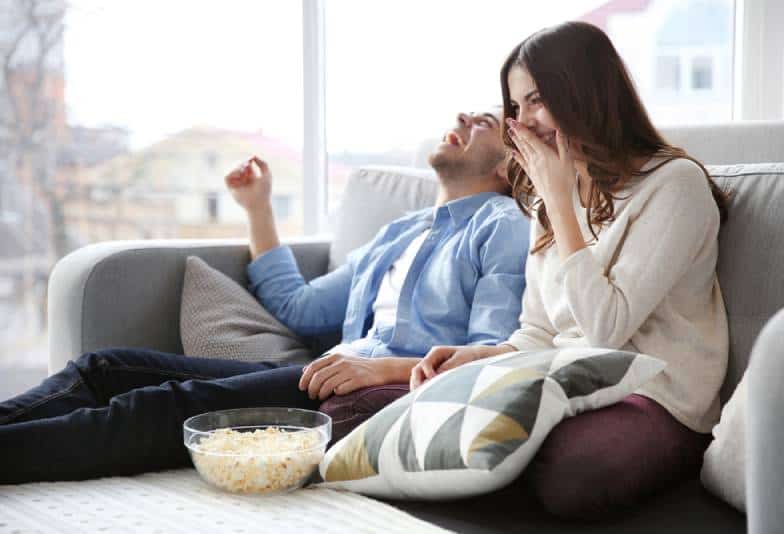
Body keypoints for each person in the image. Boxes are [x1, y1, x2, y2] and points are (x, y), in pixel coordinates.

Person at [0, 108, 530, 485]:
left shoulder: (503, 226)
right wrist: (258, 209)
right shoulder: (399, 233)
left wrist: (384, 370)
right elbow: (300, 309)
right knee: (104, 367)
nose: (463, 117)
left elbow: (489, 356)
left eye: (483, 123)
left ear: (508, 169)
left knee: (162, 406)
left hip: (365, 395)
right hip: (334, 371)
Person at [411, 22, 729, 520]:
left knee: (568, 471)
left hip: (658, 400)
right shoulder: (548, 199)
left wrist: (559, 201)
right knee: (387, 409)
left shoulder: (674, 185)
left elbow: (606, 331)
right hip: (569, 384)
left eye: (536, 100)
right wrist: (476, 357)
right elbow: (539, 332)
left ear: (586, 93)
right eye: (515, 108)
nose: (523, 122)